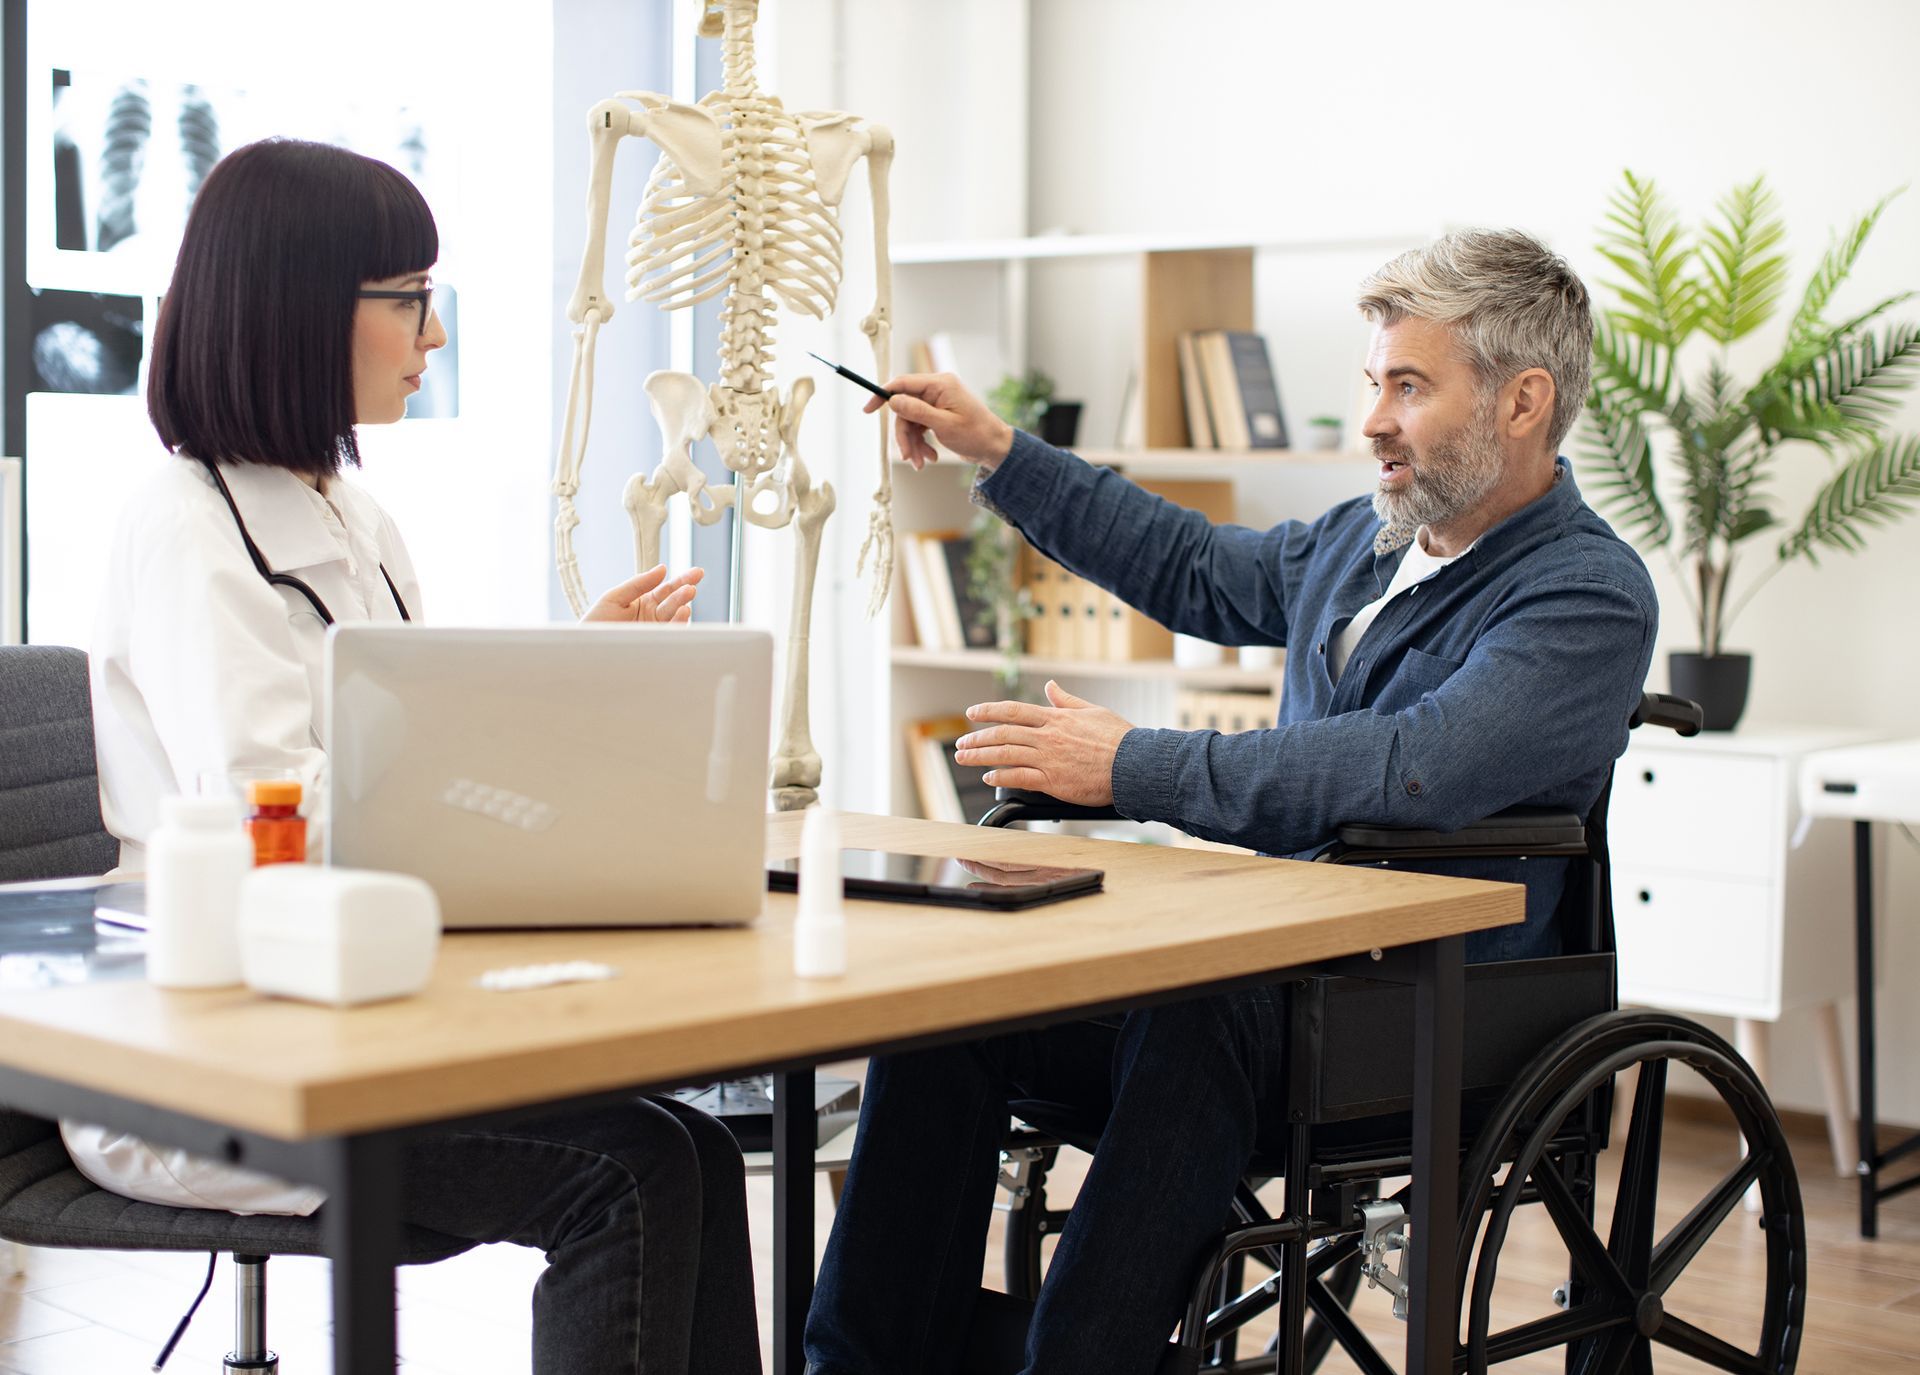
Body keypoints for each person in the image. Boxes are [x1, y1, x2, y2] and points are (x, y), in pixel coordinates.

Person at [805, 229, 1659, 1374]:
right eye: (1374, 382)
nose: (1373, 421)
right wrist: (1001, 452)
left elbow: (1413, 765)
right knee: (950, 1000)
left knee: (1199, 1000)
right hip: (1281, 970)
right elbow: (1193, 564)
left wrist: (1129, 767)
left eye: (1408, 386)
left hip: (1424, 1005)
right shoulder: (1369, 544)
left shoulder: (1587, 592)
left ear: (1523, 401)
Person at [78, 138, 759, 1375]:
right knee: (632, 1170)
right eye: (410, 300)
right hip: (215, 1052)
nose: (431, 336)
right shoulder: (185, 528)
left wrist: (568, 676)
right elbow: (274, 812)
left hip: (358, 998)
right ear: (301, 305)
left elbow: (415, 746)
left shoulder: (355, 514)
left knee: (699, 1147)